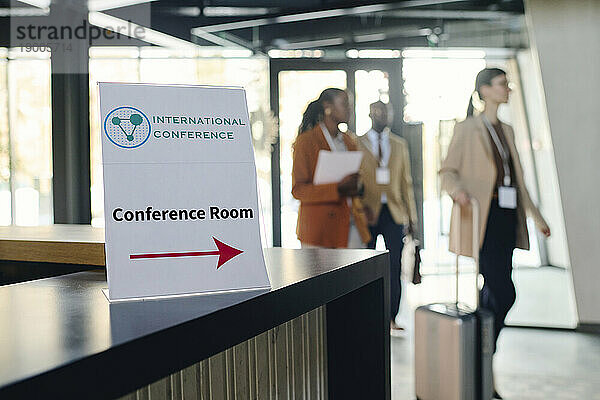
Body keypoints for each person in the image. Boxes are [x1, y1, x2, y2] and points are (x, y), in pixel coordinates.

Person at [440, 68, 551, 399]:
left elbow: (518, 179)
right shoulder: (467, 128)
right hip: (481, 218)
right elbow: (447, 170)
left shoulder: (508, 130)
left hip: (506, 218)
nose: (509, 89)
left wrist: (537, 217)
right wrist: (458, 192)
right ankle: (483, 344)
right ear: (485, 90)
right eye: (503, 84)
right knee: (504, 291)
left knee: (497, 287)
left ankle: (481, 344)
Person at [357, 100, 417, 336]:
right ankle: (368, 314)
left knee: (395, 266)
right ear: (370, 113)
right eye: (377, 111)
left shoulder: (399, 145)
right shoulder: (357, 143)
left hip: (394, 213)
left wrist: (412, 217)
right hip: (368, 213)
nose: (382, 115)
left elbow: (406, 184)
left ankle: (392, 316)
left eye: (386, 111)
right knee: (366, 265)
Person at [292, 88, 370, 248]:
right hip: (318, 230)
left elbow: (359, 181)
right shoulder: (306, 142)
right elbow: (298, 190)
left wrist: (357, 185)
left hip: (350, 225)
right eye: (344, 104)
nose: (349, 109)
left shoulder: (349, 141)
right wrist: (338, 188)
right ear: (327, 106)